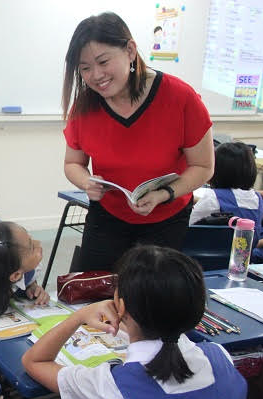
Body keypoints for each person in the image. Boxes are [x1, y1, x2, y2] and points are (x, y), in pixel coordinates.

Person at [22, 245, 257, 399]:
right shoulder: (220, 356)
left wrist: (80, 316)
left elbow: (35, 361)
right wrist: (131, 320)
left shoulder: (114, 389)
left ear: (120, 306)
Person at [62, 12, 214, 271]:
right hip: (107, 215)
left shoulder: (180, 98)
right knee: (94, 289)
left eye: (103, 62)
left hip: (166, 216)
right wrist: (86, 182)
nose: (96, 75)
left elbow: (203, 167)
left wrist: (164, 194)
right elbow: (72, 163)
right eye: (85, 68)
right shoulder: (84, 107)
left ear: (130, 51)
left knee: (151, 296)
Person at [190, 141, 263, 243]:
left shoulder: (213, 197)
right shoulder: (257, 198)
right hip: (243, 255)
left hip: (206, 254)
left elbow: (190, 223)